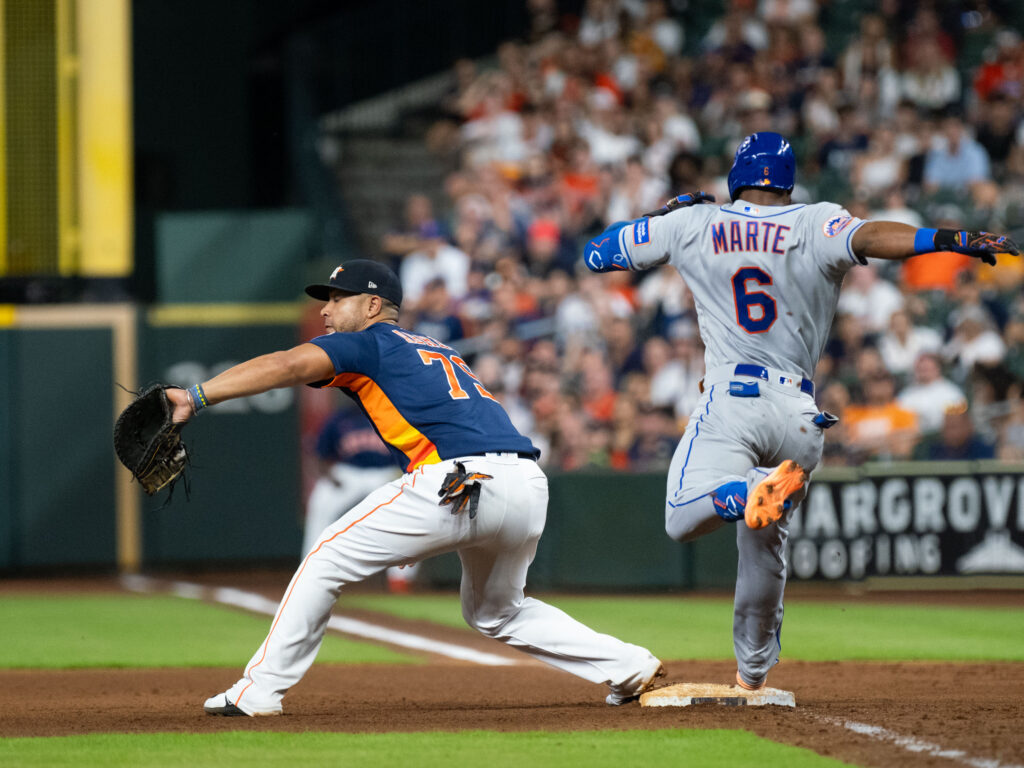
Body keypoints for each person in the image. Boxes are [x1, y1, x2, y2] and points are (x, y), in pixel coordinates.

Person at [583, 131, 1018, 691]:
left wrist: (664, 211)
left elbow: (598, 254)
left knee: (682, 514)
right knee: (765, 547)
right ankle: (752, 675)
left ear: (737, 174)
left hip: (732, 400)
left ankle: (743, 493)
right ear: (786, 182)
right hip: (798, 414)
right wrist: (947, 237)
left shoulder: (694, 223)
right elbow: (874, 235)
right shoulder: (815, 220)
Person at [167, 260, 663, 716]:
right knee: (495, 611)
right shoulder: (434, 347)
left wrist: (195, 395)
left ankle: (258, 690)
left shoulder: (368, 342)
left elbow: (288, 365)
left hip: (458, 481)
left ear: (372, 305)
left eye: (337, 298)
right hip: (526, 482)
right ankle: (627, 665)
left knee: (324, 560)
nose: (325, 309)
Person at [302, 403, 415, 593]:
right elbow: (319, 455)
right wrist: (329, 477)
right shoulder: (340, 419)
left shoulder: (391, 415)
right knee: (321, 502)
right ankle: (308, 571)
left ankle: (400, 580)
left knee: (408, 510)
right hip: (348, 473)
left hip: (385, 474)